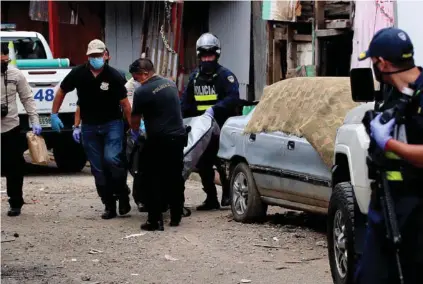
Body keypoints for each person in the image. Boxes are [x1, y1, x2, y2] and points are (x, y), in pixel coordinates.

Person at [354, 27, 423, 284]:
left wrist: (390, 144)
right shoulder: (395, 94)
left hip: (415, 206)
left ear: (382, 63)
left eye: (372, 62)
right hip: (386, 202)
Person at [51, 39, 132, 220]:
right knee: (98, 169)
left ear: (105, 55)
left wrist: (133, 127)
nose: (96, 58)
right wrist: (54, 114)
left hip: (112, 124)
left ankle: (122, 194)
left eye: (98, 55)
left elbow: (125, 105)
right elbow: (62, 91)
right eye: (92, 55)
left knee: (112, 160)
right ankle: (109, 204)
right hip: (89, 127)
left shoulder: (114, 76)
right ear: (87, 56)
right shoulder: (79, 73)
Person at [180, 32, 240, 210]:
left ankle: (228, 195)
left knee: (221, 162)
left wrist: (215, 109)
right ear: (199, 56)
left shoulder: (225, 76)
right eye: (204, 56)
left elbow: (233, 98)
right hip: (201, 128)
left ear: (217, 54)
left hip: (222, 126)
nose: (207, 59)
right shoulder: (194, 77)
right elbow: (186, 102)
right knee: (203, 163)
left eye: (210, 55)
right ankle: (211, 198)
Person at [130, 58, 186, 231]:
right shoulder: (170, 84)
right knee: (175, 177)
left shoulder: (142, 91)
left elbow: (135, 120)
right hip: (178, 137)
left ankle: (155, 220)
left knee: (151, 179)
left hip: (158, 140)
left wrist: (135, 132)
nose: (136, 81)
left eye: (136, 78)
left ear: (145, 74)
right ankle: (176, 216)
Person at [1, 45, 42, 217]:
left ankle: (15, 202)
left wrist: (35, 120)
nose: (3, 62)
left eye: (5, 58)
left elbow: (27, 98)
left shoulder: (15, 74)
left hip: (11, 127)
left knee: (14, 168)